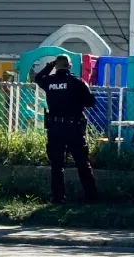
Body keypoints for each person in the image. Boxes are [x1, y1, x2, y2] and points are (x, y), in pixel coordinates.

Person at [34, 55, 99, 203]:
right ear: (69, 66)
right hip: (74, 128)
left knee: (57, 165)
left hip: (55, 128)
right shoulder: (77, 82)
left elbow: (38, 77)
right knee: (82, 163)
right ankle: (91, 197)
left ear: (56, 66)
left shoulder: (49, 81)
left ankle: (58, 198)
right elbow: (90, 102)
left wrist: (49, 66)